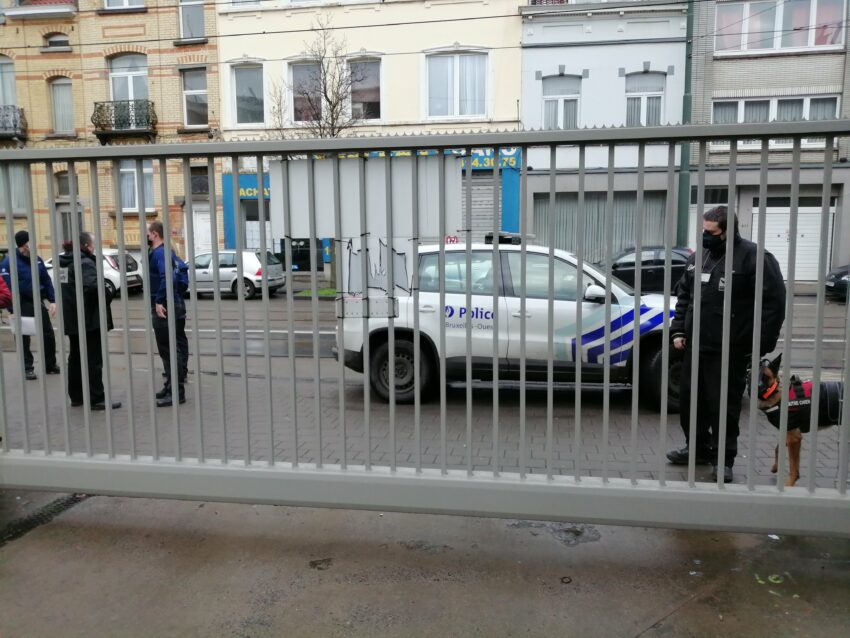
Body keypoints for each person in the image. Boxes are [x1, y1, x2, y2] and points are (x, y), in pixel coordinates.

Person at [667, 205, 786, 483]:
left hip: (729, 350)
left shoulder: (754, 258)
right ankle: (697, 448)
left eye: (711, 232)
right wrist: (678, 331)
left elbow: (774, 304)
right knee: (691, 403)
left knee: (723, 408)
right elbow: (684, 295)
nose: (705, 237)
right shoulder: (699, 258)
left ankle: (723, 459)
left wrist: (760, 344)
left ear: (727, 232)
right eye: (703, 231)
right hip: (696, 347)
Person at [59, 233, 121, 411]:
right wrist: (109, 292)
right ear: (86, 245)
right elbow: (94, 288)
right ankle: (96, 398)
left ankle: (76, 396)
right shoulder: (84, 262)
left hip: (73, 319)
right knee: (93, 359)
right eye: (93, 244)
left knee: (76, 358)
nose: (95, 247)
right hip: (88, 320)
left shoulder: (65, 262)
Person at [0, 230, 59, 380]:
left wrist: (53, 300)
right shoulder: (8, 263)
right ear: (24, 245)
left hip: (37, 301)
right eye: (30, 242)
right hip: (20, 304)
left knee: (48, 334)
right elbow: (7, 288)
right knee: (23, 337)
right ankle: (27, 368)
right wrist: (12, 309)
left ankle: (50, 365)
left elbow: (46, 280)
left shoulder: (37, 260)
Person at [147, 220, 189, 407]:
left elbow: (168, 278)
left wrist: (158, 301)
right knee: (170, 348)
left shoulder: (159, 253)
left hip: (165, 306)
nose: (146, 235)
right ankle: (170, 386)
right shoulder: (166, 252)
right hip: (173, 304)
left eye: (148, 233)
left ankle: (176, 392)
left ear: (155, 234)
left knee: (169, 350)